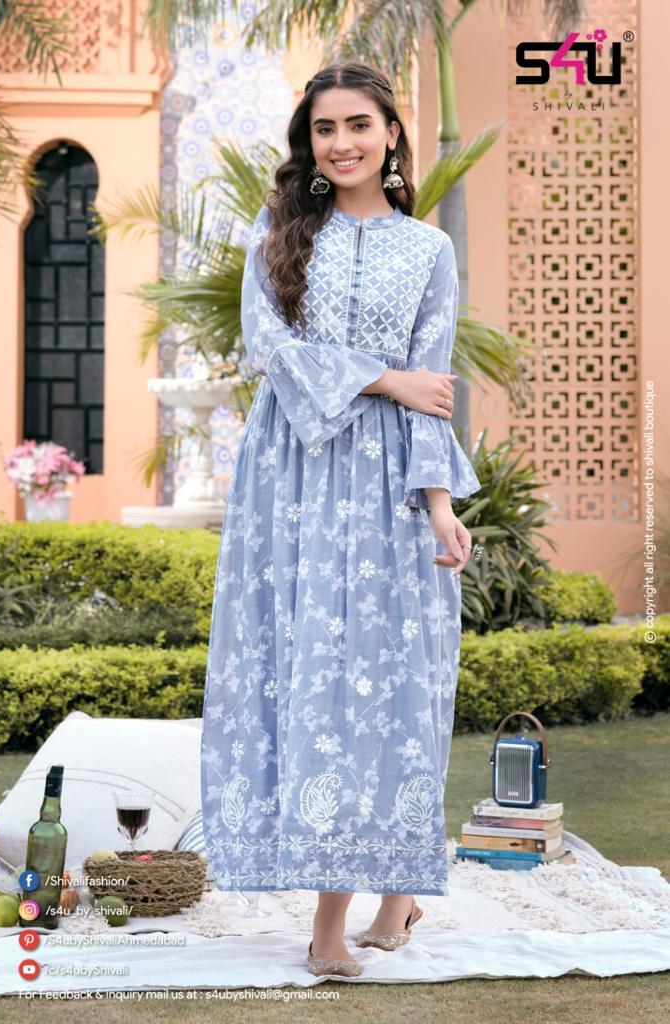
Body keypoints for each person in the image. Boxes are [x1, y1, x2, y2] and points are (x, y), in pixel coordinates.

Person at [200, 60, 482, 978]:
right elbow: (269, 347)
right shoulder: (281, 232)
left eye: (359, 124)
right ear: (309, 142)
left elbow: (433, 393)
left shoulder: (428, 251)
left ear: (392, 133)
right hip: (291, 478)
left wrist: (440, 507)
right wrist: (383, 377)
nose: (342, 142)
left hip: (388, 486)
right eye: (325, 128)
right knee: (314, 677)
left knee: (395, 679)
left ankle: (394, 897)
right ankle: (335, 921)